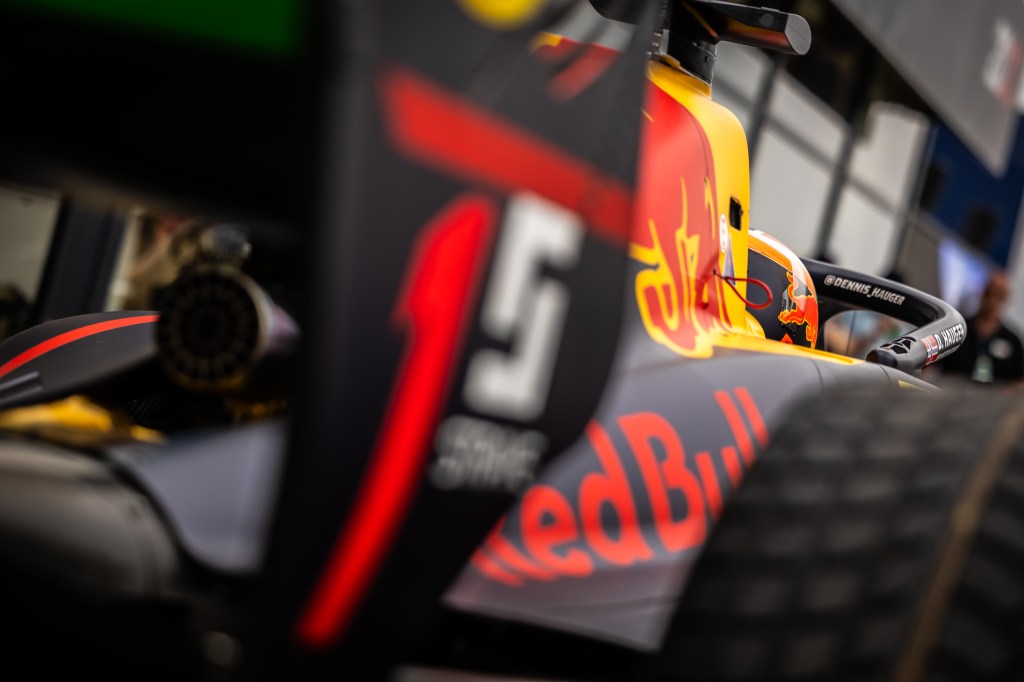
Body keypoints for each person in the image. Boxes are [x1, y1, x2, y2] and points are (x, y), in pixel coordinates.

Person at [937, 270, 1024, 384]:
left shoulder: (1012, 341)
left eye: (998, 295)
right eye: (989, 293)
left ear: (1005, 299)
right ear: (982, 293)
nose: (992, 301)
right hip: (950, 394)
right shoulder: (958, 328)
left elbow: (1020, 380)